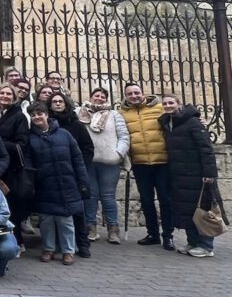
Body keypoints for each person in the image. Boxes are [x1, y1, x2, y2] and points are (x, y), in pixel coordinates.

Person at [27, 102, 89, 266]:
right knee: (46, 219)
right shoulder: (30, 138)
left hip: (66, 182)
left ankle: (68, 250)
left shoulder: (64, 134)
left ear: (46, 114)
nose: (37, 117)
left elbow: (77, 159)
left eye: (40, 113)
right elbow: (29, 163)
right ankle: (49, 248)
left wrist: (83, 181)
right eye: (33, 115)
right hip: (44, 183)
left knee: (65, 219)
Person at [159, 94, 219, 257]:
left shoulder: (192, 122)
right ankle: (192, 242)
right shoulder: (167, 122)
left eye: (171, 102)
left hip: (197, 174)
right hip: (179, 174)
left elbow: (206, 149)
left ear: (179, 104)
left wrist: (209, 173)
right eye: (165, 103)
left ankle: (206, 246)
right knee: (186, 210)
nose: (168, 105)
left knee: (202, 209)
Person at [120, 82, 172, 250]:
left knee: (165, 200)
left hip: (162, 161)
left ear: (142, 92)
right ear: (126, 96)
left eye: (136, 92)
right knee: (147, 200)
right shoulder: (122, 114)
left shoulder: (159, 108)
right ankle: (153, 234)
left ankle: (168, 235)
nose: (134, 96)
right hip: (140, 163)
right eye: (130, 94)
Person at [77, 87, 130, 244]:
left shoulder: (114, 115)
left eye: (102, 96)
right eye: (96, 95)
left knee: (108, 196)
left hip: (109, 161)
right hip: (88, 161)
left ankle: (113, 229)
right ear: (91, 97)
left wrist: (118, 154)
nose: (98, 98)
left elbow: (124, 136)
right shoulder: (80, 112)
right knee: (91, 195)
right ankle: (90, 227)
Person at [48, 91, 95, 258]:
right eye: (54, 102)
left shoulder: (76, 125)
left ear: (66, 104)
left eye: (61, 101)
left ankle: (83, 243)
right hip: (53, 174)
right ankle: (61, 244)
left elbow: (87, 148)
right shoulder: (45, 125)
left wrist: (81, 167)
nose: (58, 104)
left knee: (77, 210)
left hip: (73, 173)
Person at [0, 83, 32, 248]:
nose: (5, 96)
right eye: (2, 93)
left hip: (11, 168)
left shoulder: (18, 116)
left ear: (14, 98)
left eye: (8, 94)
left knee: (10, 205)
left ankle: (16, 241)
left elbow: (22, 144)